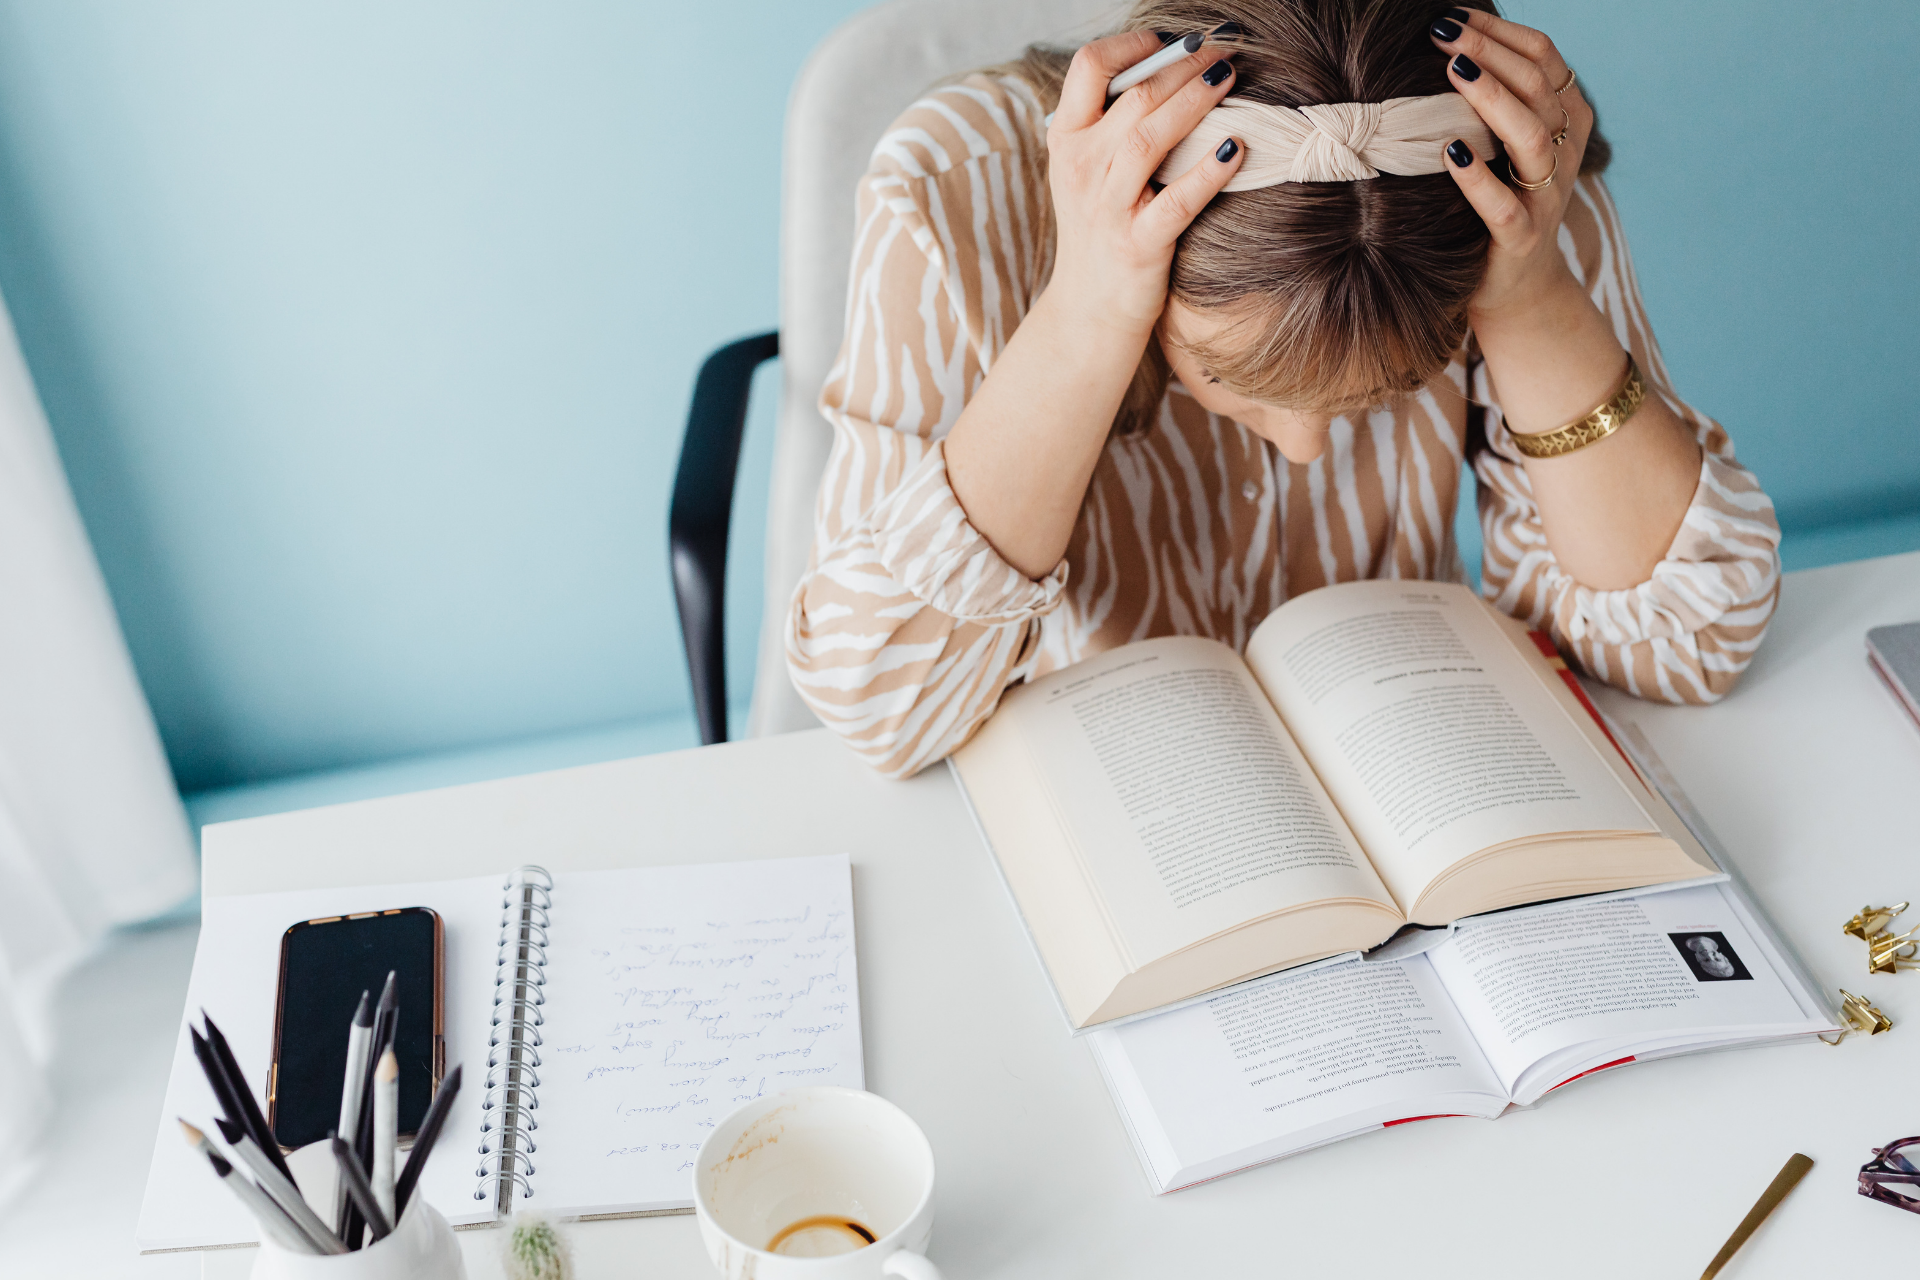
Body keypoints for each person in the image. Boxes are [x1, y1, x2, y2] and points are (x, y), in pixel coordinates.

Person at [788, 0, 1780, 777]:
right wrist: (1088, 314)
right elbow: (883, 710)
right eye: (1223, 370)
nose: (1307, 447)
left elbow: (1691, 645)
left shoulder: (1509, 169)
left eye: (1398, 382)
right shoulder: (954, 183)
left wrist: (1533, 303)